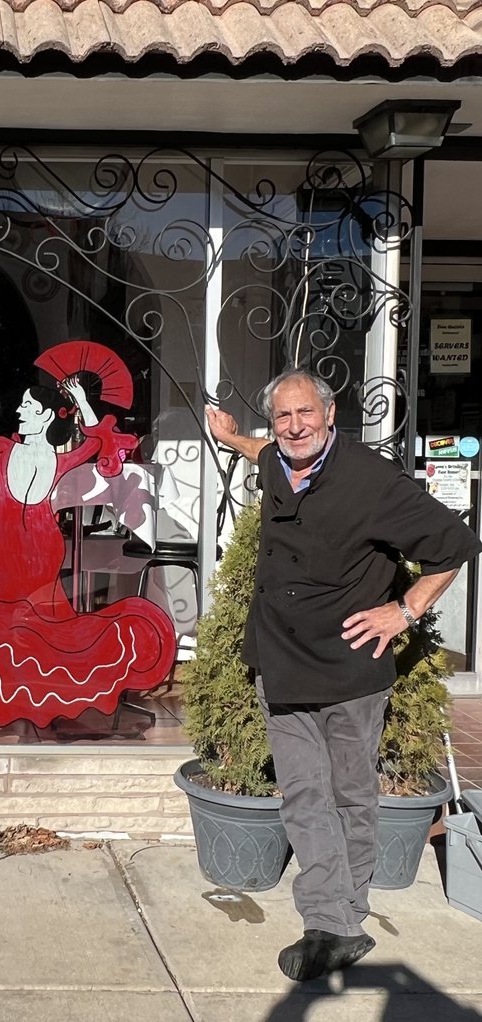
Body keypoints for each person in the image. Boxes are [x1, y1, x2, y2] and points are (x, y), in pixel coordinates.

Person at [206, 368, 482, 983]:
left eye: (306, 414)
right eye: (282, 417)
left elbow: (456, 544)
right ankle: (331, 922)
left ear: (331, 415)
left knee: (351, 796)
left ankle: (340, 916)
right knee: (305, 794)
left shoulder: (371, 481)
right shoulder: (279, 458)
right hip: (280, 661)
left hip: (350, 668)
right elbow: (266, 451)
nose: (294, 427)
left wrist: (404, 609)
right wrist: (232, 439)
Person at [0, 377, 177, 727]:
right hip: (2, 540)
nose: (18, 411)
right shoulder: (0, 448)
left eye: (27, 406)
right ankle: (20, 690)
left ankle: (36, 694)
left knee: (43, 617)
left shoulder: (62, 459)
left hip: (43, 543)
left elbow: (96, 441)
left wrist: (81, 401)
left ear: (45, 417)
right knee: (12, 611)